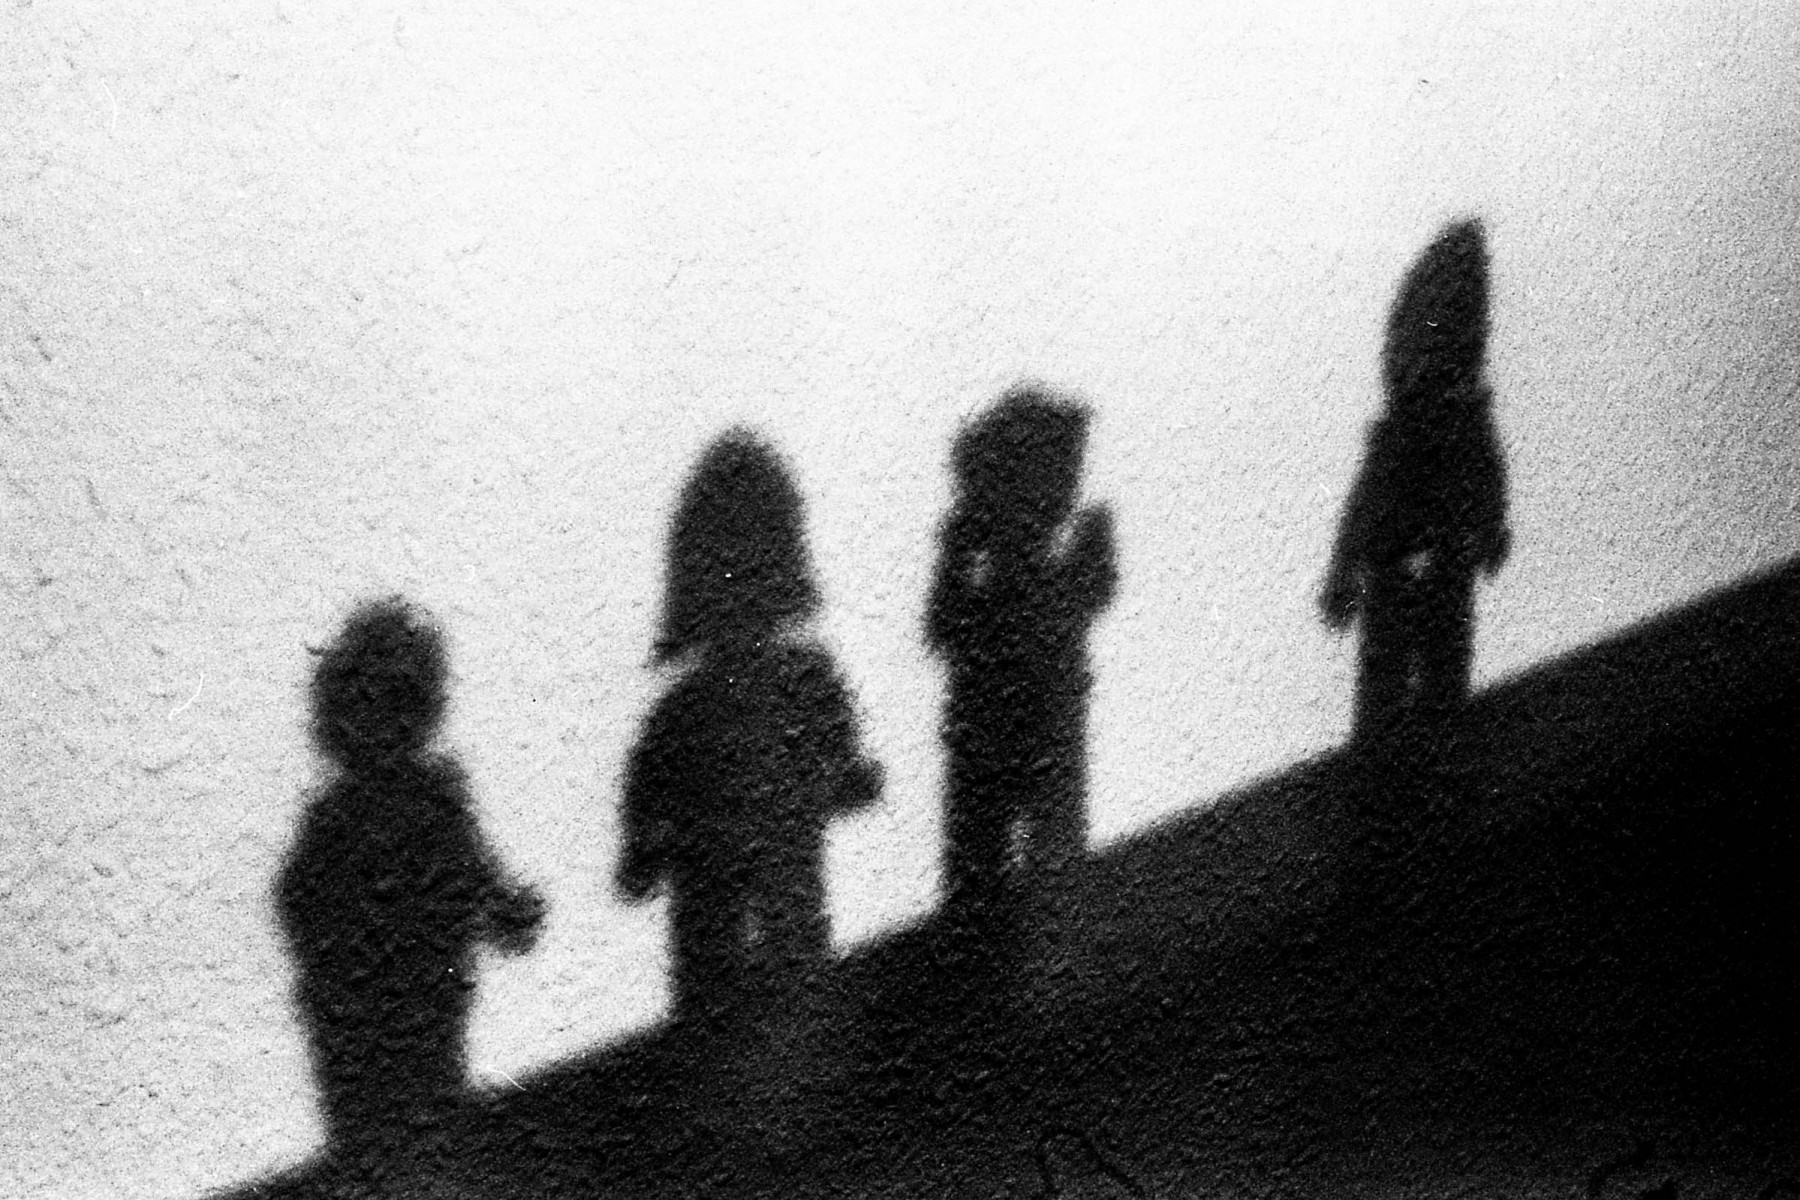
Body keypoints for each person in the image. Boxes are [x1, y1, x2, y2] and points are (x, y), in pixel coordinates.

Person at [618, 430, 882, 1025]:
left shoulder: (697, 706)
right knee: (735, 978)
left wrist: (844, 778)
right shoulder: (690, 709)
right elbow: (646, 803)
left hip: (765, 890)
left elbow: (845, 765)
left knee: (780, 968)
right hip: (726, 900)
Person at [276, 598, 543, 1166]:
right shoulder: (394, 810)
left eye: (398, 703)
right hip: (386, 1025)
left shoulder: (407, 806)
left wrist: (503, 910)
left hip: (393, 1026)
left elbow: (299, 908)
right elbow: (300, 907)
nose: (386, 724)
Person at [927, 387, 1117, 943]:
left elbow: (1094, 592)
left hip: (1030, 727)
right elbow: (943, 626)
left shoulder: (1040, 557)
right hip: (999, 730)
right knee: (991, 870)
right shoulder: (995, 561)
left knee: (1030, 862)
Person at [1321, 220, 1511, 742]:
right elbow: (1372, 496)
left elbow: (1372, 497)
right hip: (1411, 557)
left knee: (1424, 684)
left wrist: (1489, 521)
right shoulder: (1432, 422)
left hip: (1430, 554)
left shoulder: (1454, 418)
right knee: (1405, 687)